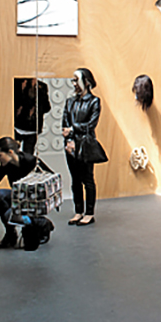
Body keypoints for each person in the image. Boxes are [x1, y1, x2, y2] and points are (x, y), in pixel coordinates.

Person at [62, 68, 101, 226]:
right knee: (75, 180)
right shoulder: (70, 101)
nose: (73, 83)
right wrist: (69, 139)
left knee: (88, 179)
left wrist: (72, 129)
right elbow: (65, 123)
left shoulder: (94, 101)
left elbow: (91, 125)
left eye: (75, 80)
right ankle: (78, 211)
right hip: (71, 145)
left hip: (85, 144)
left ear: (86, 82)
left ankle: (89, 213)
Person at [14, 78, 51, 155]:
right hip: (17, 125)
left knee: (28, 154)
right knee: (13, 153)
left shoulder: (41, 87)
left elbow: (46, 107)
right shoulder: (18, 83)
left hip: (32, 127)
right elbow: (16, 102)